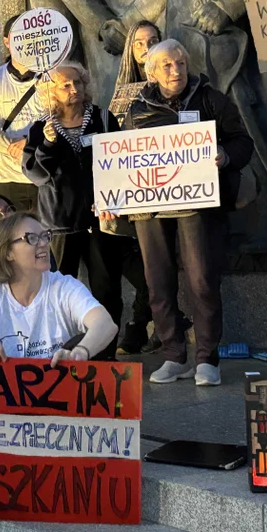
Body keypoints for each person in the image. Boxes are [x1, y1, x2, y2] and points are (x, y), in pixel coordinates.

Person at [117, 40, 253, 386]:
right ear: (151, 71)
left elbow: (242, 142)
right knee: (158, 283)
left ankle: (207, 358)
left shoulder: (210, 99)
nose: (175, 71)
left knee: (201, 279)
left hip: (196, 204)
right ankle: (173, 355)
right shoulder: (137, 109)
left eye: (180, 63)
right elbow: (119, 160)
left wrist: (224, 155)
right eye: (167, 65)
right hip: (149, 209)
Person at [22, 62, 123, 359]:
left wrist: (112, 199)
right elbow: (37, 174)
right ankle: (60, 354)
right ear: (51, 91)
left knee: (106, 289)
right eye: (65, 85)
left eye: (77, 82)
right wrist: (49, 144)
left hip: (101, 219)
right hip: (59, 223)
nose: (74, 89)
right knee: (57, 291)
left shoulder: (103, 119)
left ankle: (105, 357)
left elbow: (120, 165)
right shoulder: (41, 128)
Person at [0, 212, 119, 363]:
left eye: (45, 236)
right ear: (7, 252)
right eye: (31, 238)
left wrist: (80, 352)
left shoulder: (63, 287)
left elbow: (105, 324)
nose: (44, 244)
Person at [109, 20, 162, 355]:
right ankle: (146, 322)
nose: (147, 47)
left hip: (168, 185)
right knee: (136, 259)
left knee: (156, 258)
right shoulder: (122, 92)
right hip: (132, 185)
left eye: (153, 40)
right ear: (131, 49)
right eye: (140, 43)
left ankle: (140, 325)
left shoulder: (176, 83)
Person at [0, 16, 45, 212]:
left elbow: (60, 119)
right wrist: (13, 148)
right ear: (7, 42)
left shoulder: (51, 78)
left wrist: (29, 142)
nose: (25, 42)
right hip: (8, 179)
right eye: (18, 37)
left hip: (45, 177)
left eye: (29, 37)